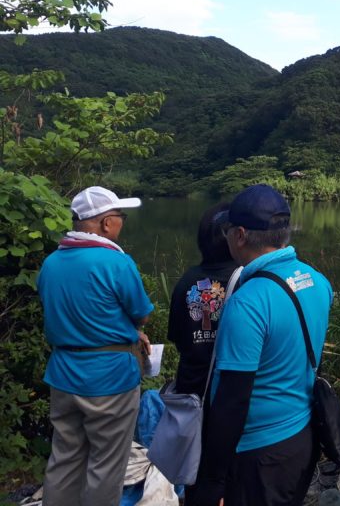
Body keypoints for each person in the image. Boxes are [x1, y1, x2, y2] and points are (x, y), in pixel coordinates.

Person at [191, 184, 333, 506]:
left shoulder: (248, 302)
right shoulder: (315, 279)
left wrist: (213, 480)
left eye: (227, 230)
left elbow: (233, 400)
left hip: (259, 451)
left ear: (239, 235)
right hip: (301, 435)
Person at [38, 186, 153, 506]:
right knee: (106, 466)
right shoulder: (116, 262)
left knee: (64, 459)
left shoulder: (52, 263)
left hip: (63, 374)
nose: (121, 223)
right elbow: (142, 315)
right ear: (105, 223)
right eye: (120, 217)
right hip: (110, 380)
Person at [167, 202, 240, 395]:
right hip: (232, 393)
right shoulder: (249, 280)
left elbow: (178, 338)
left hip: (190, 390)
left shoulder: (187, 281)